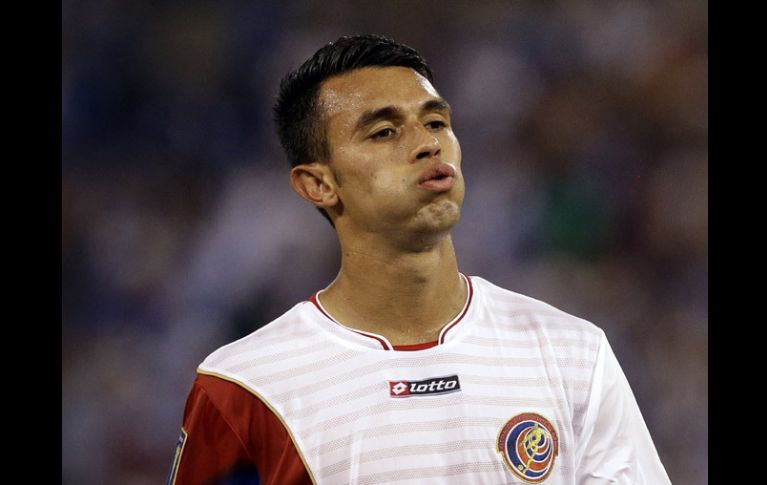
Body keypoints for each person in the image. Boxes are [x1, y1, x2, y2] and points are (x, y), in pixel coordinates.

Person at [167, 34, 671, 485]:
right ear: (318, 184)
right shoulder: (245, 387)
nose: (428, 144)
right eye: (384, 132)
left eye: (435, 122)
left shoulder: (573, 354)